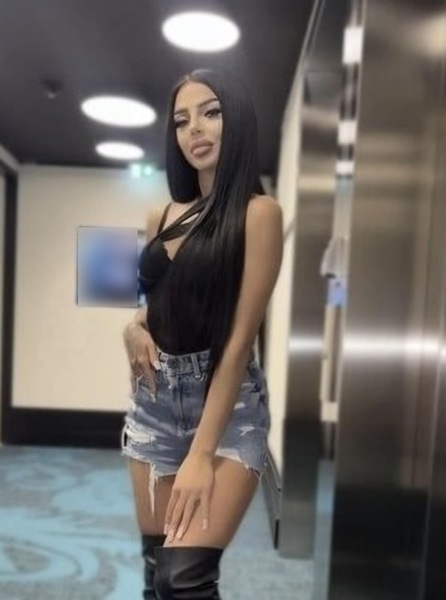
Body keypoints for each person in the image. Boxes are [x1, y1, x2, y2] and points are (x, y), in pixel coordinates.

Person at [122, 68, 283, 600]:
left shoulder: (259, 214)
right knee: (156, 575)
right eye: (181, 120)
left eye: (211, 112)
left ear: (237, 120)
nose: (194, 129)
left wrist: (200, 453)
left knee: (184, 580)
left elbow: (239, 341)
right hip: (153, 403)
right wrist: (133, 327)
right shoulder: (162, 214)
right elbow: (155, 302)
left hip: (227, 406)